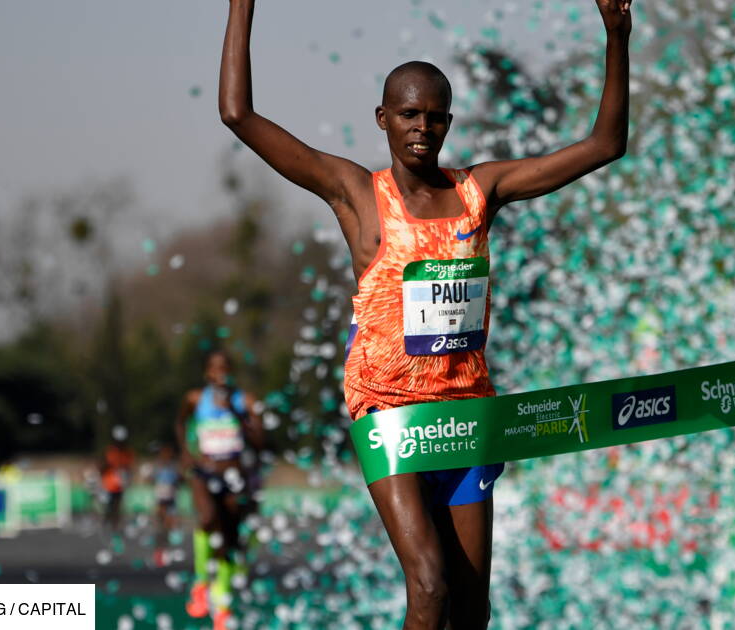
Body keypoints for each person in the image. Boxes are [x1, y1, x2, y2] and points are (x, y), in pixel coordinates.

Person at [218, 1, 632, 627]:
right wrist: (241, 6)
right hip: (389, 408)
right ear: (383, 118)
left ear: (449, 123)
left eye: (436, 117)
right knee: (431, 586)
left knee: (470, 610)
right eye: (409, 114)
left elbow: (606, 144)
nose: (422, 128)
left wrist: (617, 36)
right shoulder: (358, 193)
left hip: (466, 411)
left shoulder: (479, 190)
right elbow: (238, 114)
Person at [175, 351, 265, 625]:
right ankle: (201, 584)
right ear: (207, 373)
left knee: (229, 539)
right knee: (205, 519)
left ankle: (222, 604)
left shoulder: (244, 401)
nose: (220, 374)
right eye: (214, 369)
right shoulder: (194, 399)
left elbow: (260, 440)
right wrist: (187, 453)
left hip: (234, 474)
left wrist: (237, 414)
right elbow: (179, 423)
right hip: (204, 470)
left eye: (225, 368)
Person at [151, 442, 182, 567]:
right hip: (161, 499)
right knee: (160, 526)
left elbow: (178, 481)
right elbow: (152, 479)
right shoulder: (158, 467)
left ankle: (166, 552)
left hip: (171, 499)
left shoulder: (174, 467)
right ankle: (159, 552)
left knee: (170, 526)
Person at [99, 426, 134, 531]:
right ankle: (106, 523)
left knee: (117, 506)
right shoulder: (110, 451)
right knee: (108, 506)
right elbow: (103, 466)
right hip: (108, 484)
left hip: (120, 485)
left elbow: (129, 467)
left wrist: (126, 477)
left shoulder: (127, 453)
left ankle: (114, 526)